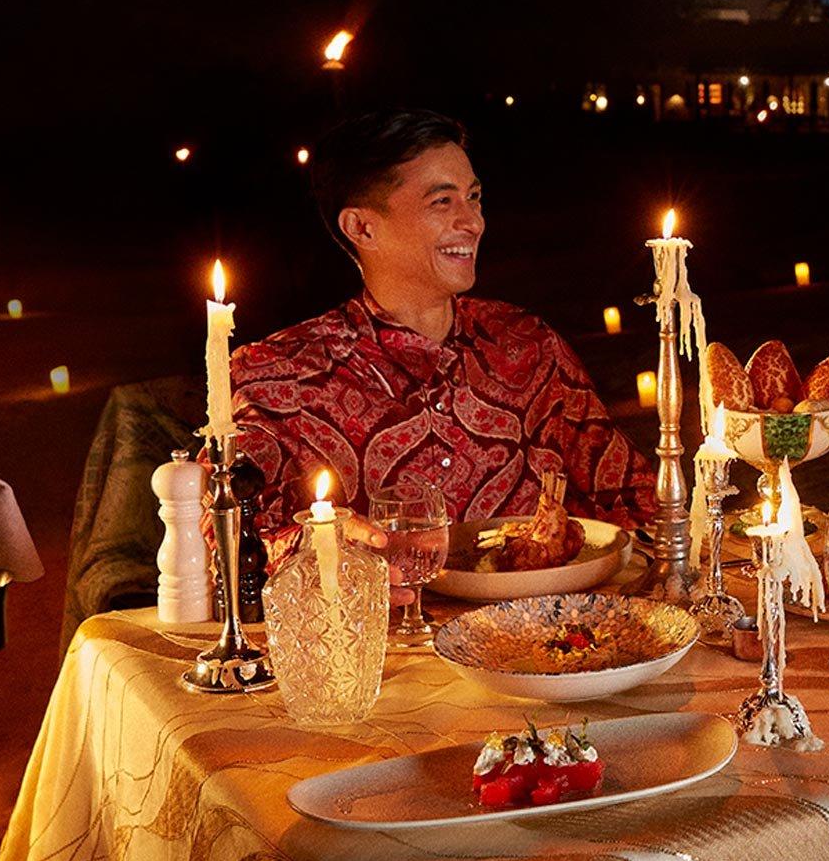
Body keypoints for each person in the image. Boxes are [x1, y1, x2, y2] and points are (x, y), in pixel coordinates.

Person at [231, 108, 654, 542]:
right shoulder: (280, 378)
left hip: (536, 609)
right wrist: (323, 544)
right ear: (361, 227)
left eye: (473, 197)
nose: (473, 222)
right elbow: (234, 540)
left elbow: (633, 501)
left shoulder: (526, 346)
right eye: (442, 201)